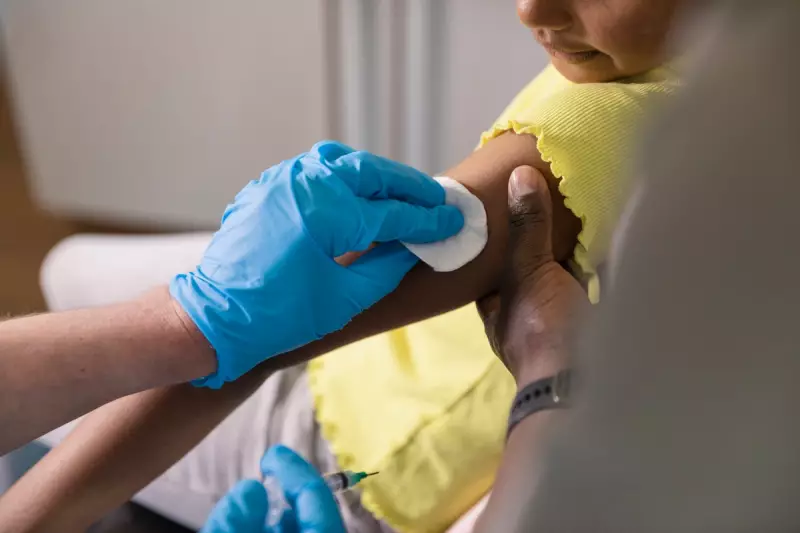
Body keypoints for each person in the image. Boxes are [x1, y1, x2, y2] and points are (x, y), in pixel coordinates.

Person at [0, 1, 689, 531]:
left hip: (349, 451)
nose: (530, 10)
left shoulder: (611, 127)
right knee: (65, 267)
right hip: (362, 358)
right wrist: (189, 320)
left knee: (66, 299)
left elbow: (253, 352)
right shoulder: (655, 53)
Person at [0, 139, 464, 454]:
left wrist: (192, 322)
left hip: (349, 430)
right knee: (63, 270)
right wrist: (193, 325)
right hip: (342, 389)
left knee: (62, 266)